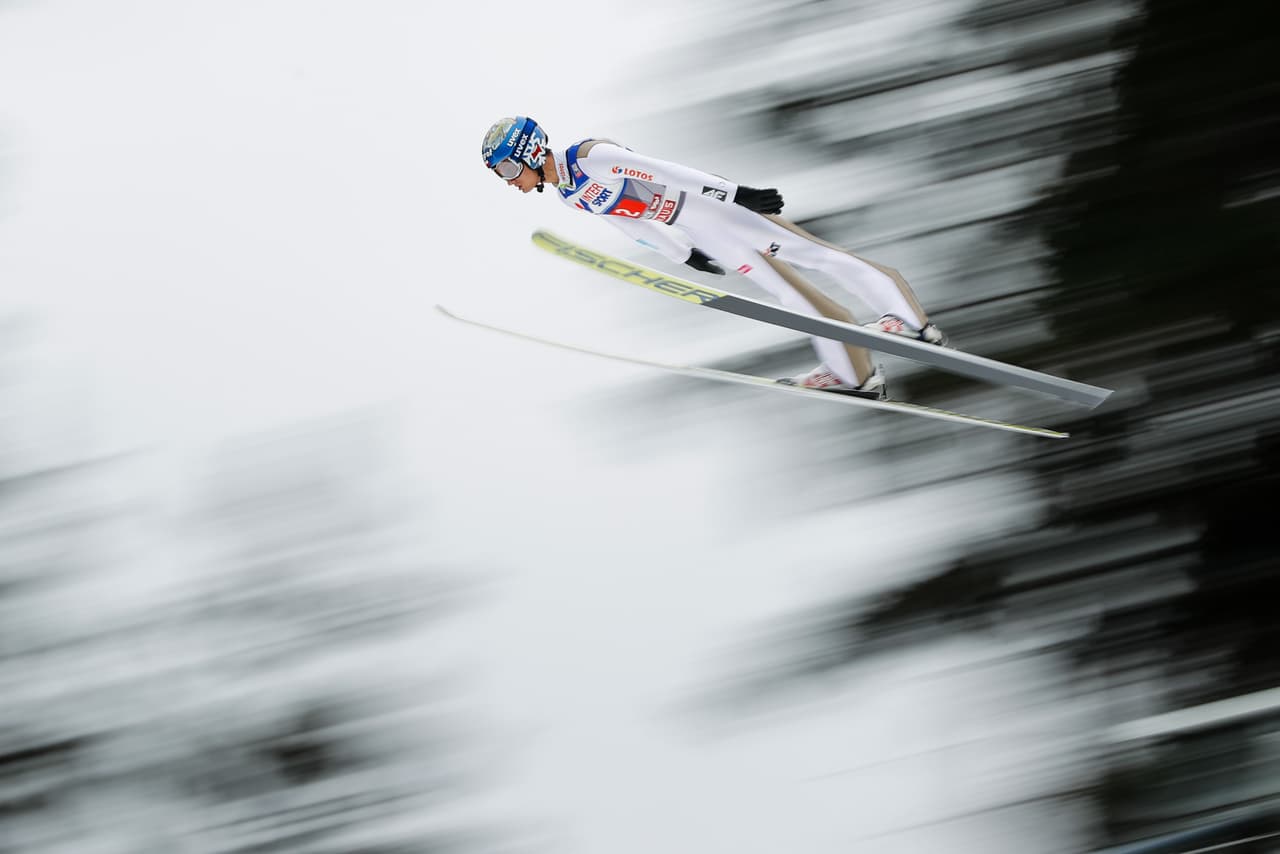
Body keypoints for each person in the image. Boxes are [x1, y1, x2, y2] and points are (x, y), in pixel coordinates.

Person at [480, 116, 945, 400]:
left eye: (504, 168)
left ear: (528, 151)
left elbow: (664, 172)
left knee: (812, 255)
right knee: (788, 295)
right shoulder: (568, 193)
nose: (506, 180)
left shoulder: (590, 157)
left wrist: (736, 193)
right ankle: (854, 373)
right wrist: (684, 255)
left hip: (717, 207)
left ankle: (910, 320)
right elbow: (630, 222)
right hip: (698, 228)